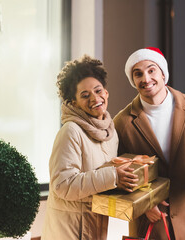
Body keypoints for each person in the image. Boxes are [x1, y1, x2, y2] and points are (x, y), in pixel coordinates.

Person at [113, 47, 185, 240]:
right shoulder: (122, 122)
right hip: (148, 224)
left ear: (163, 74)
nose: (146, 78)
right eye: (138, 74)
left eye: (151, 70)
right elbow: (118, 175)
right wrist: (144, 206)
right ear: (133, 81)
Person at [42, 55, 138, 240]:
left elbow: (102, 180)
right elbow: (62, 185)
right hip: (68, 229)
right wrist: (114, 176)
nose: (95, 98)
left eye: (98, 90)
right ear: (73, 102)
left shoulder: (110, 132)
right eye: (85, 95)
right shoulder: (71, 131)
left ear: (106, 93)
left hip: (95, 222)